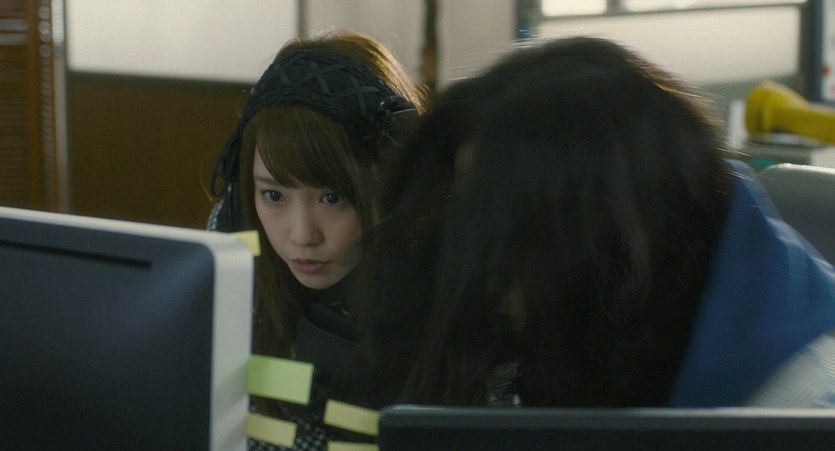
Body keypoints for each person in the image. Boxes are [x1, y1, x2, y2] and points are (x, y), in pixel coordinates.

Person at [368, 36, 835, 409]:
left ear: (596, 234)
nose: (479, 261)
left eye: (501, 226)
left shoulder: (801, 407)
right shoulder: (637, 320)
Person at [209, 30, 427, 449]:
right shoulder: (233, 239)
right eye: (273, 195)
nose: (302, 235)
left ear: (391, 184)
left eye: (333, 198)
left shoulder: (443, 271)